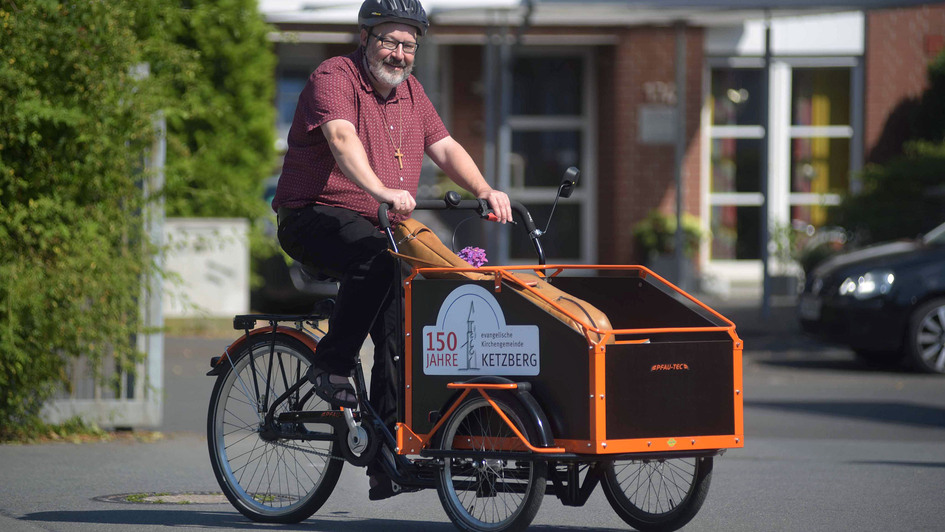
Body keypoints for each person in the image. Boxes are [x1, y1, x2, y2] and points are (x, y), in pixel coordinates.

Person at [271, 0, 512, 499]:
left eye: (409, 45)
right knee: (377, 261)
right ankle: (332, 365)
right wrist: (381, 189)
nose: (399, 54)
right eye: (390, 42)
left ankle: (386, 460)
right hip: (313, 215)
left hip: (379, 225)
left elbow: (443, 146)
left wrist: (485, 188)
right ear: (366, 39)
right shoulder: (334, 76)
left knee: (401, 330)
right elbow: (340, 138)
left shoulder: (412, 93)